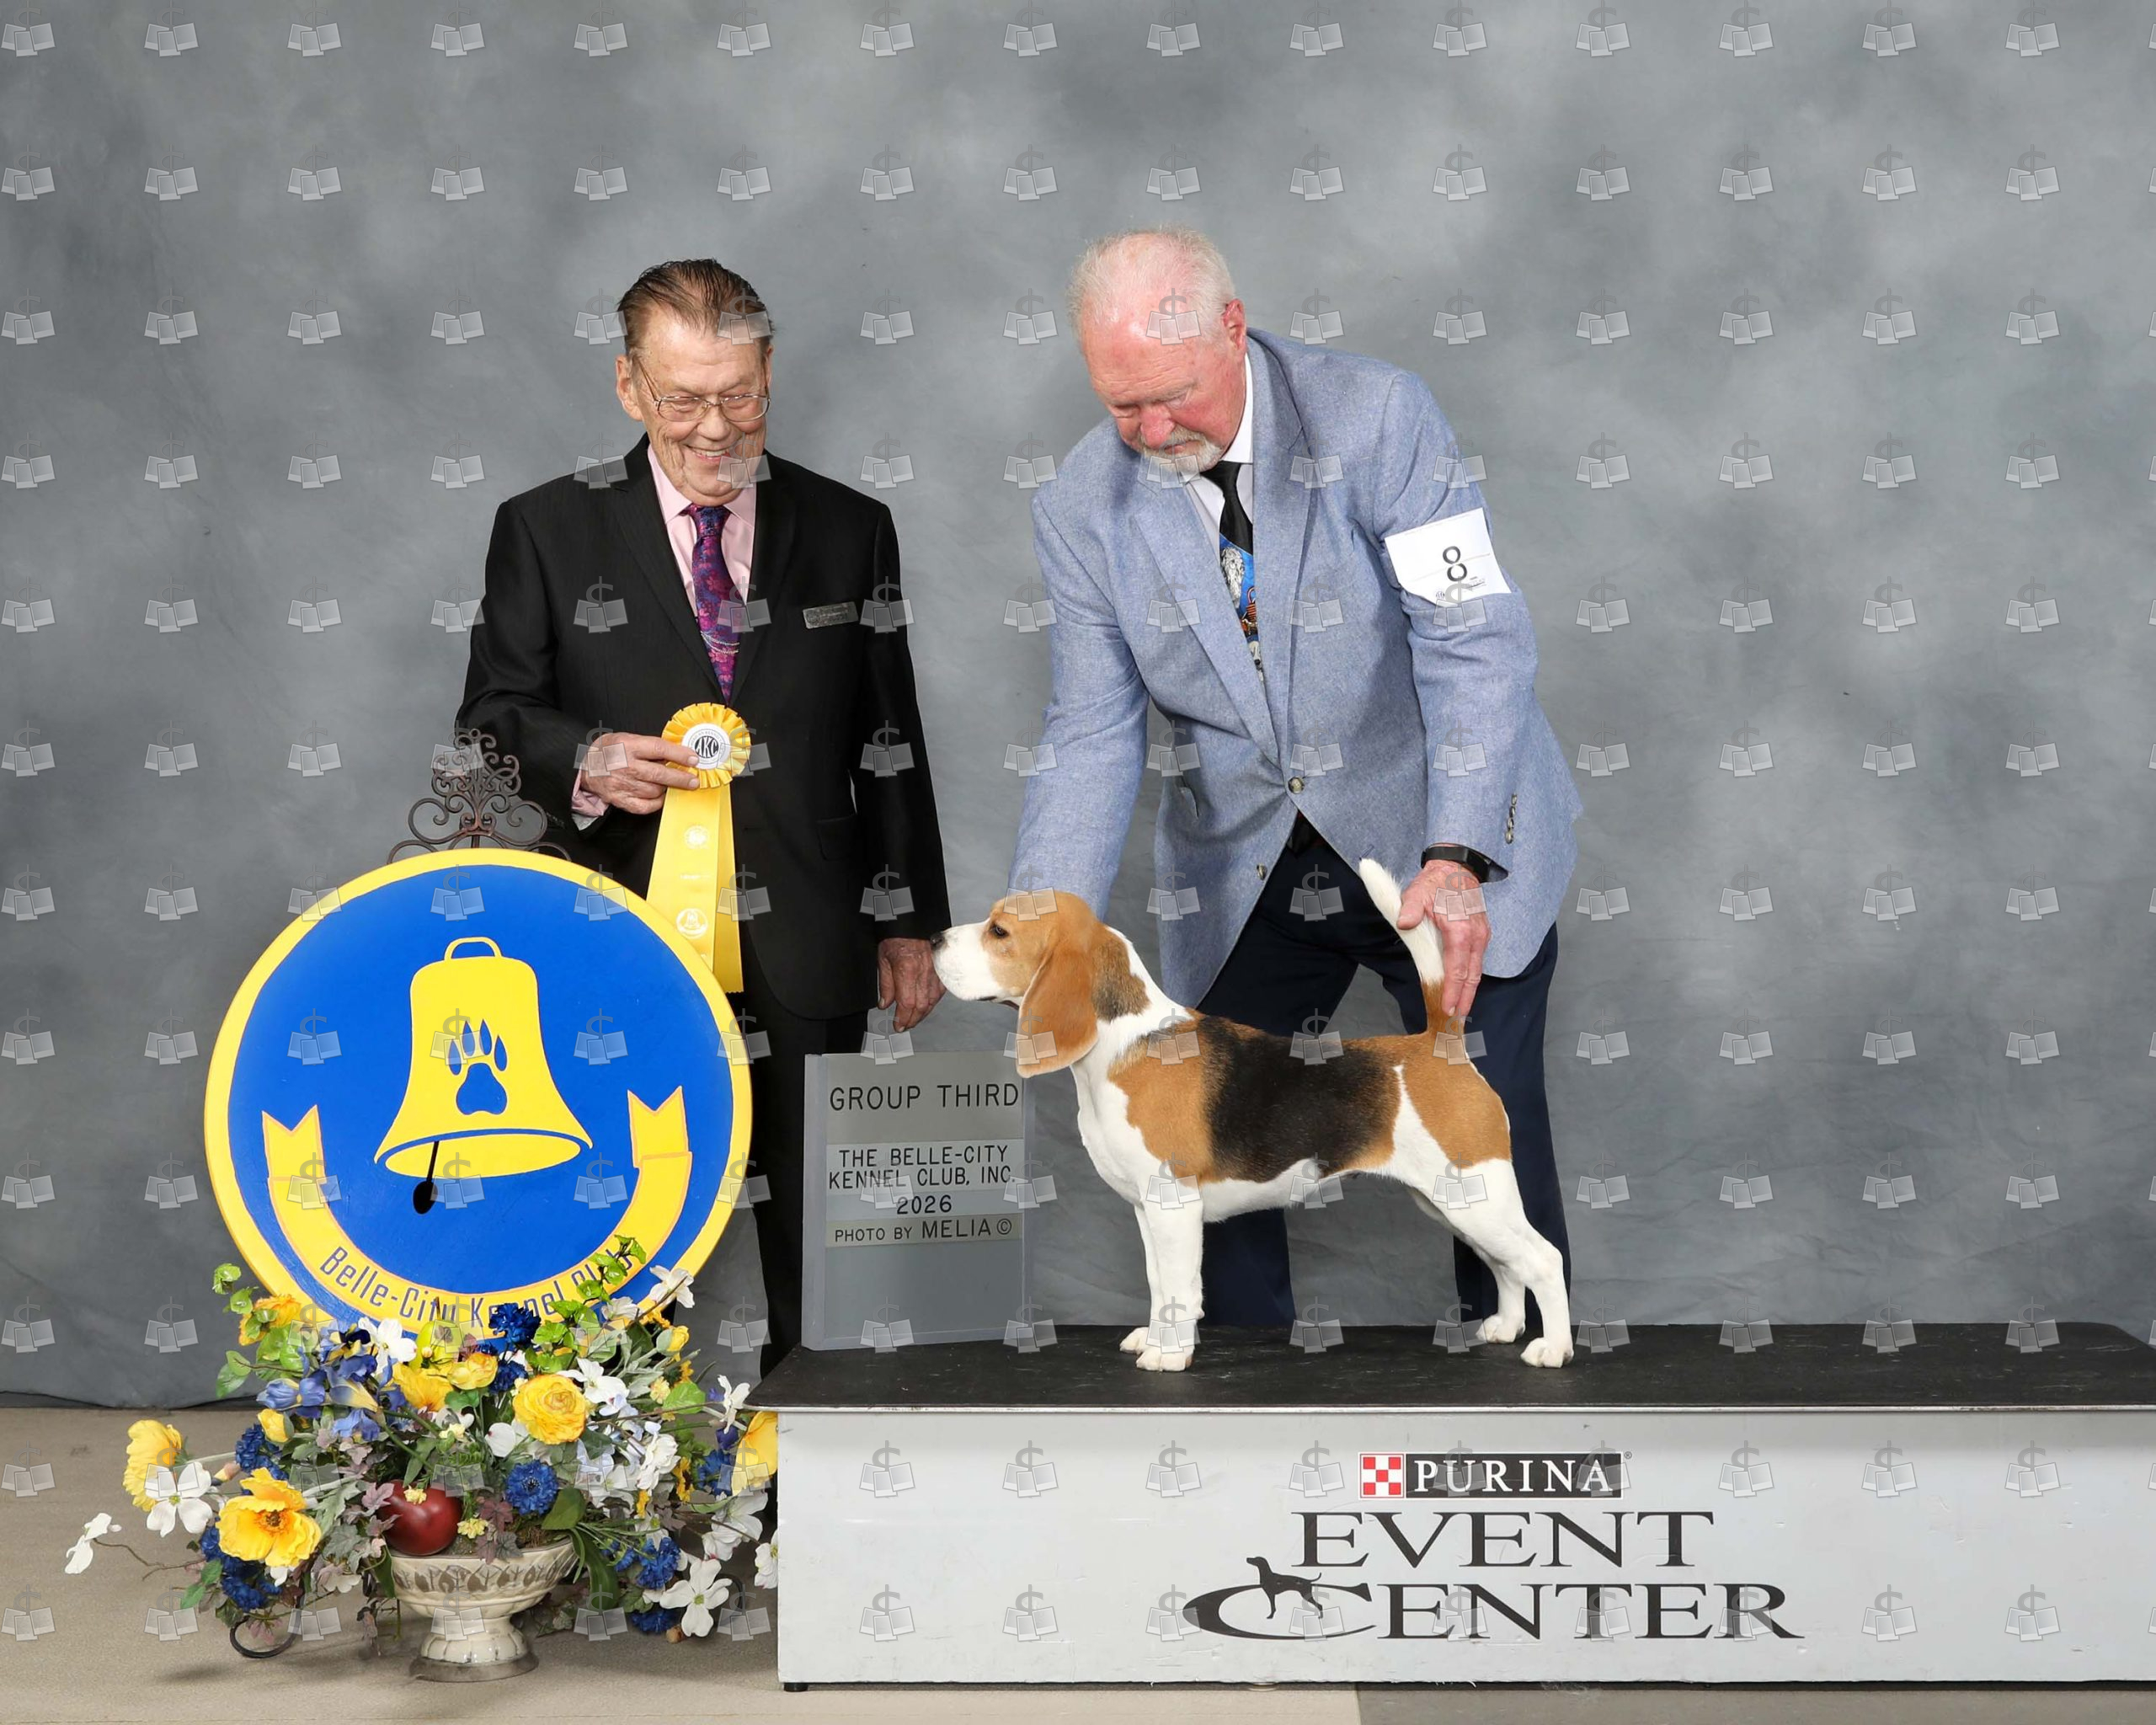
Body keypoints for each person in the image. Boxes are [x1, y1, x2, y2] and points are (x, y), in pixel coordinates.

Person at [1006, 227, 1582, 1342]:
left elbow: (1472, 638)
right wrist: (1045, 931)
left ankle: (1523, 1359)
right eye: (1123, 406)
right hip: (1243, 860)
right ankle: (1232, 1392)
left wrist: (1459, 853)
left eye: (1172, 396)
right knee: (1201, 1127)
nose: (1152, 431)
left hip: (1435, 827)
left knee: (1482, 1122)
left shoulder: (1378, 416)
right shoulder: (1080, 504)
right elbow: (1090, 731)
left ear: (1234, 329)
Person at [459, 258, 949, 1375]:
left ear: (770, 374)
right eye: (682, 401)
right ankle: (611, 1457)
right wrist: (584, 757)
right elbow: (489, 719)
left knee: (816, 1229)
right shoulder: (542, 528)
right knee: (616, 1219)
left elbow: (889, 736)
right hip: (622, 932)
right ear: (628, 387)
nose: (714, 429)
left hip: (813, 933)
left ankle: (814, 1456)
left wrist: (906, 919)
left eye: (739, 396)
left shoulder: (853, 527)